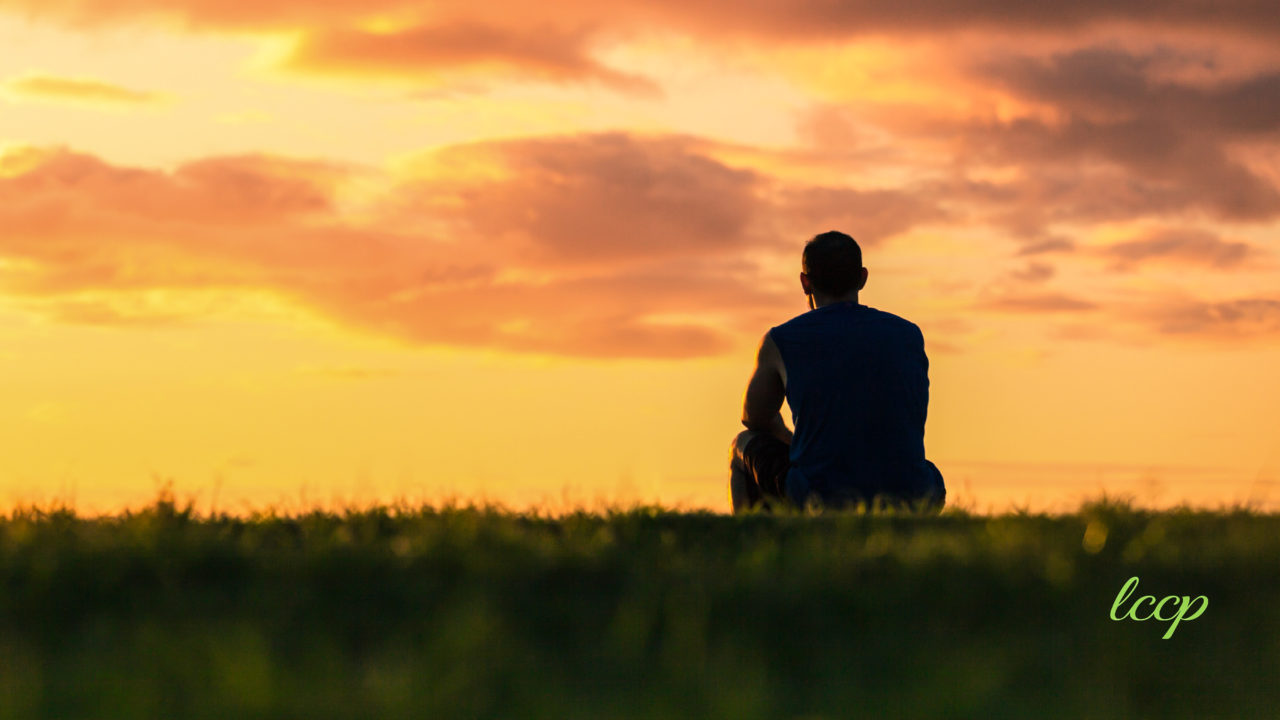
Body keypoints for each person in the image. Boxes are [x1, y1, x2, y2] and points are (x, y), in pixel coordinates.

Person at [729, 230, 945, 513]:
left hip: (820, 498)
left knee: (742, 444)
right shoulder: (908, 334)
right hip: (914, 495)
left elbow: (753, 418)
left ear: (805, 283)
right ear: (863, 278)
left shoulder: (782, 340)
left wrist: (790, 439)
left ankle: (754, 545)